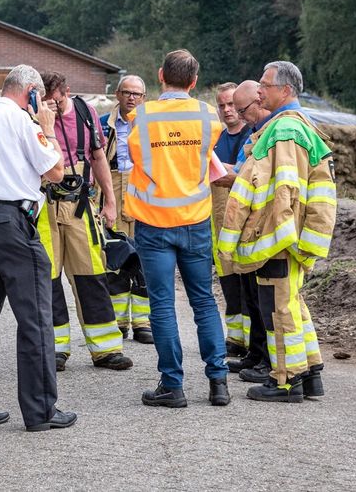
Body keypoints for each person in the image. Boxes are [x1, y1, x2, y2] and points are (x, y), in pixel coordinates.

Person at [0, 64, 77, 432]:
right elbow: (55, 171)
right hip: (11, 221)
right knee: (35, 315)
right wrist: (48, 129)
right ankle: (40, 411)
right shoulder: (25, 123)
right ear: (32, 93)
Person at [219, 61, 336, 403]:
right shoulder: (295, 126)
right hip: (290, 238)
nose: (259, 91)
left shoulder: (284, 130)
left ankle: (286, 381)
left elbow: (283, 192)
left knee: (278, 311)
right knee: (292, 306)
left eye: (264, 85)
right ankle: (310, 373)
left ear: (285, 90)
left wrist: (269, 238)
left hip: (279, 239)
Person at [126, 49, 231, 408]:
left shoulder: (142, 116)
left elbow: (138, 157)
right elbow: (206, 157)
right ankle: (218, 381)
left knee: (163, 305)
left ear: (160, 75)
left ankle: (172, 385)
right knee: (204, 301)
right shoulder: (207, 116)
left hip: (154, 224)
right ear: (194, 81)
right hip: (196, 221)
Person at [39, 72, 133, 372]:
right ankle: (54, 349)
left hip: (79, 204)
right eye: (47, 102)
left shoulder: (84, 112)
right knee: (48, 278)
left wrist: (110, 200)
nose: (53, 107)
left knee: (91, 274)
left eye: (58, 101)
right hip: (46, 205)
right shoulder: (33, 117)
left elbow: (97, 157)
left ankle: (106, 349)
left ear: (68, 91)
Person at [218, 80, 272, 383]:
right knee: (252, 294)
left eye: (240, 109)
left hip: (264, 227)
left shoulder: (273, 134)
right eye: (228, 108)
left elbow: (255, 178)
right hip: (250, 227)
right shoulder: (256, 134)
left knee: (267, 299)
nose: (236, 114)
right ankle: (255, 353)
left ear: (259, 100)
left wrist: (230, 176)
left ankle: (268, 360)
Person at [99, 75, 153, 345]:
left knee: (144, 256)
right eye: (127, 92)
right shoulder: (101, 125)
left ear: (144, 98)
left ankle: (143, 322)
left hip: (141, 190)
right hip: (113, 188)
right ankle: (118, 321)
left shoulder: (151, 124)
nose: (132, 98)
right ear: (117, 94)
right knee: (117, 255)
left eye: (138, 94)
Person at [211, 82, 252, 357]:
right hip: (219, 220)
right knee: (227, 280)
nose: (227, 110)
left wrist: (227, 171)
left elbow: (236, 174)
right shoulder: (215, 137)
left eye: (231, 105)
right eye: (222, 105)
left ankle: (251, 341)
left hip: (246, 220)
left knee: (246, 280)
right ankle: (235, 338)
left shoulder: (252, 134)